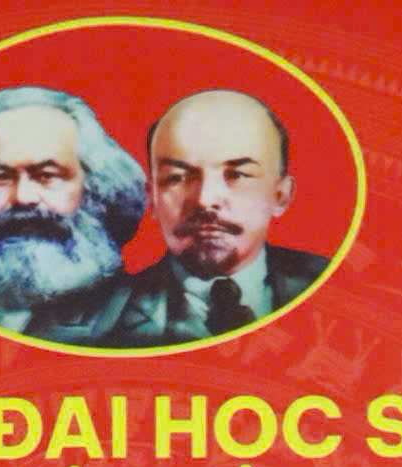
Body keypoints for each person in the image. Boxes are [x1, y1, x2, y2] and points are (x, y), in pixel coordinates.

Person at [101, 87, 329, 344]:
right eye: (177, 178)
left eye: (237, 175)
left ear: (280, 195)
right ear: (152, 197)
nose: (205, 199)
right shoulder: (105, 321)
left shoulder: (335, 286)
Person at [0, 85, 147, 344]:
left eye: (47, 175)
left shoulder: (143, 316)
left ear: (96, 189)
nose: (23, 197)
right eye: (0, 177)